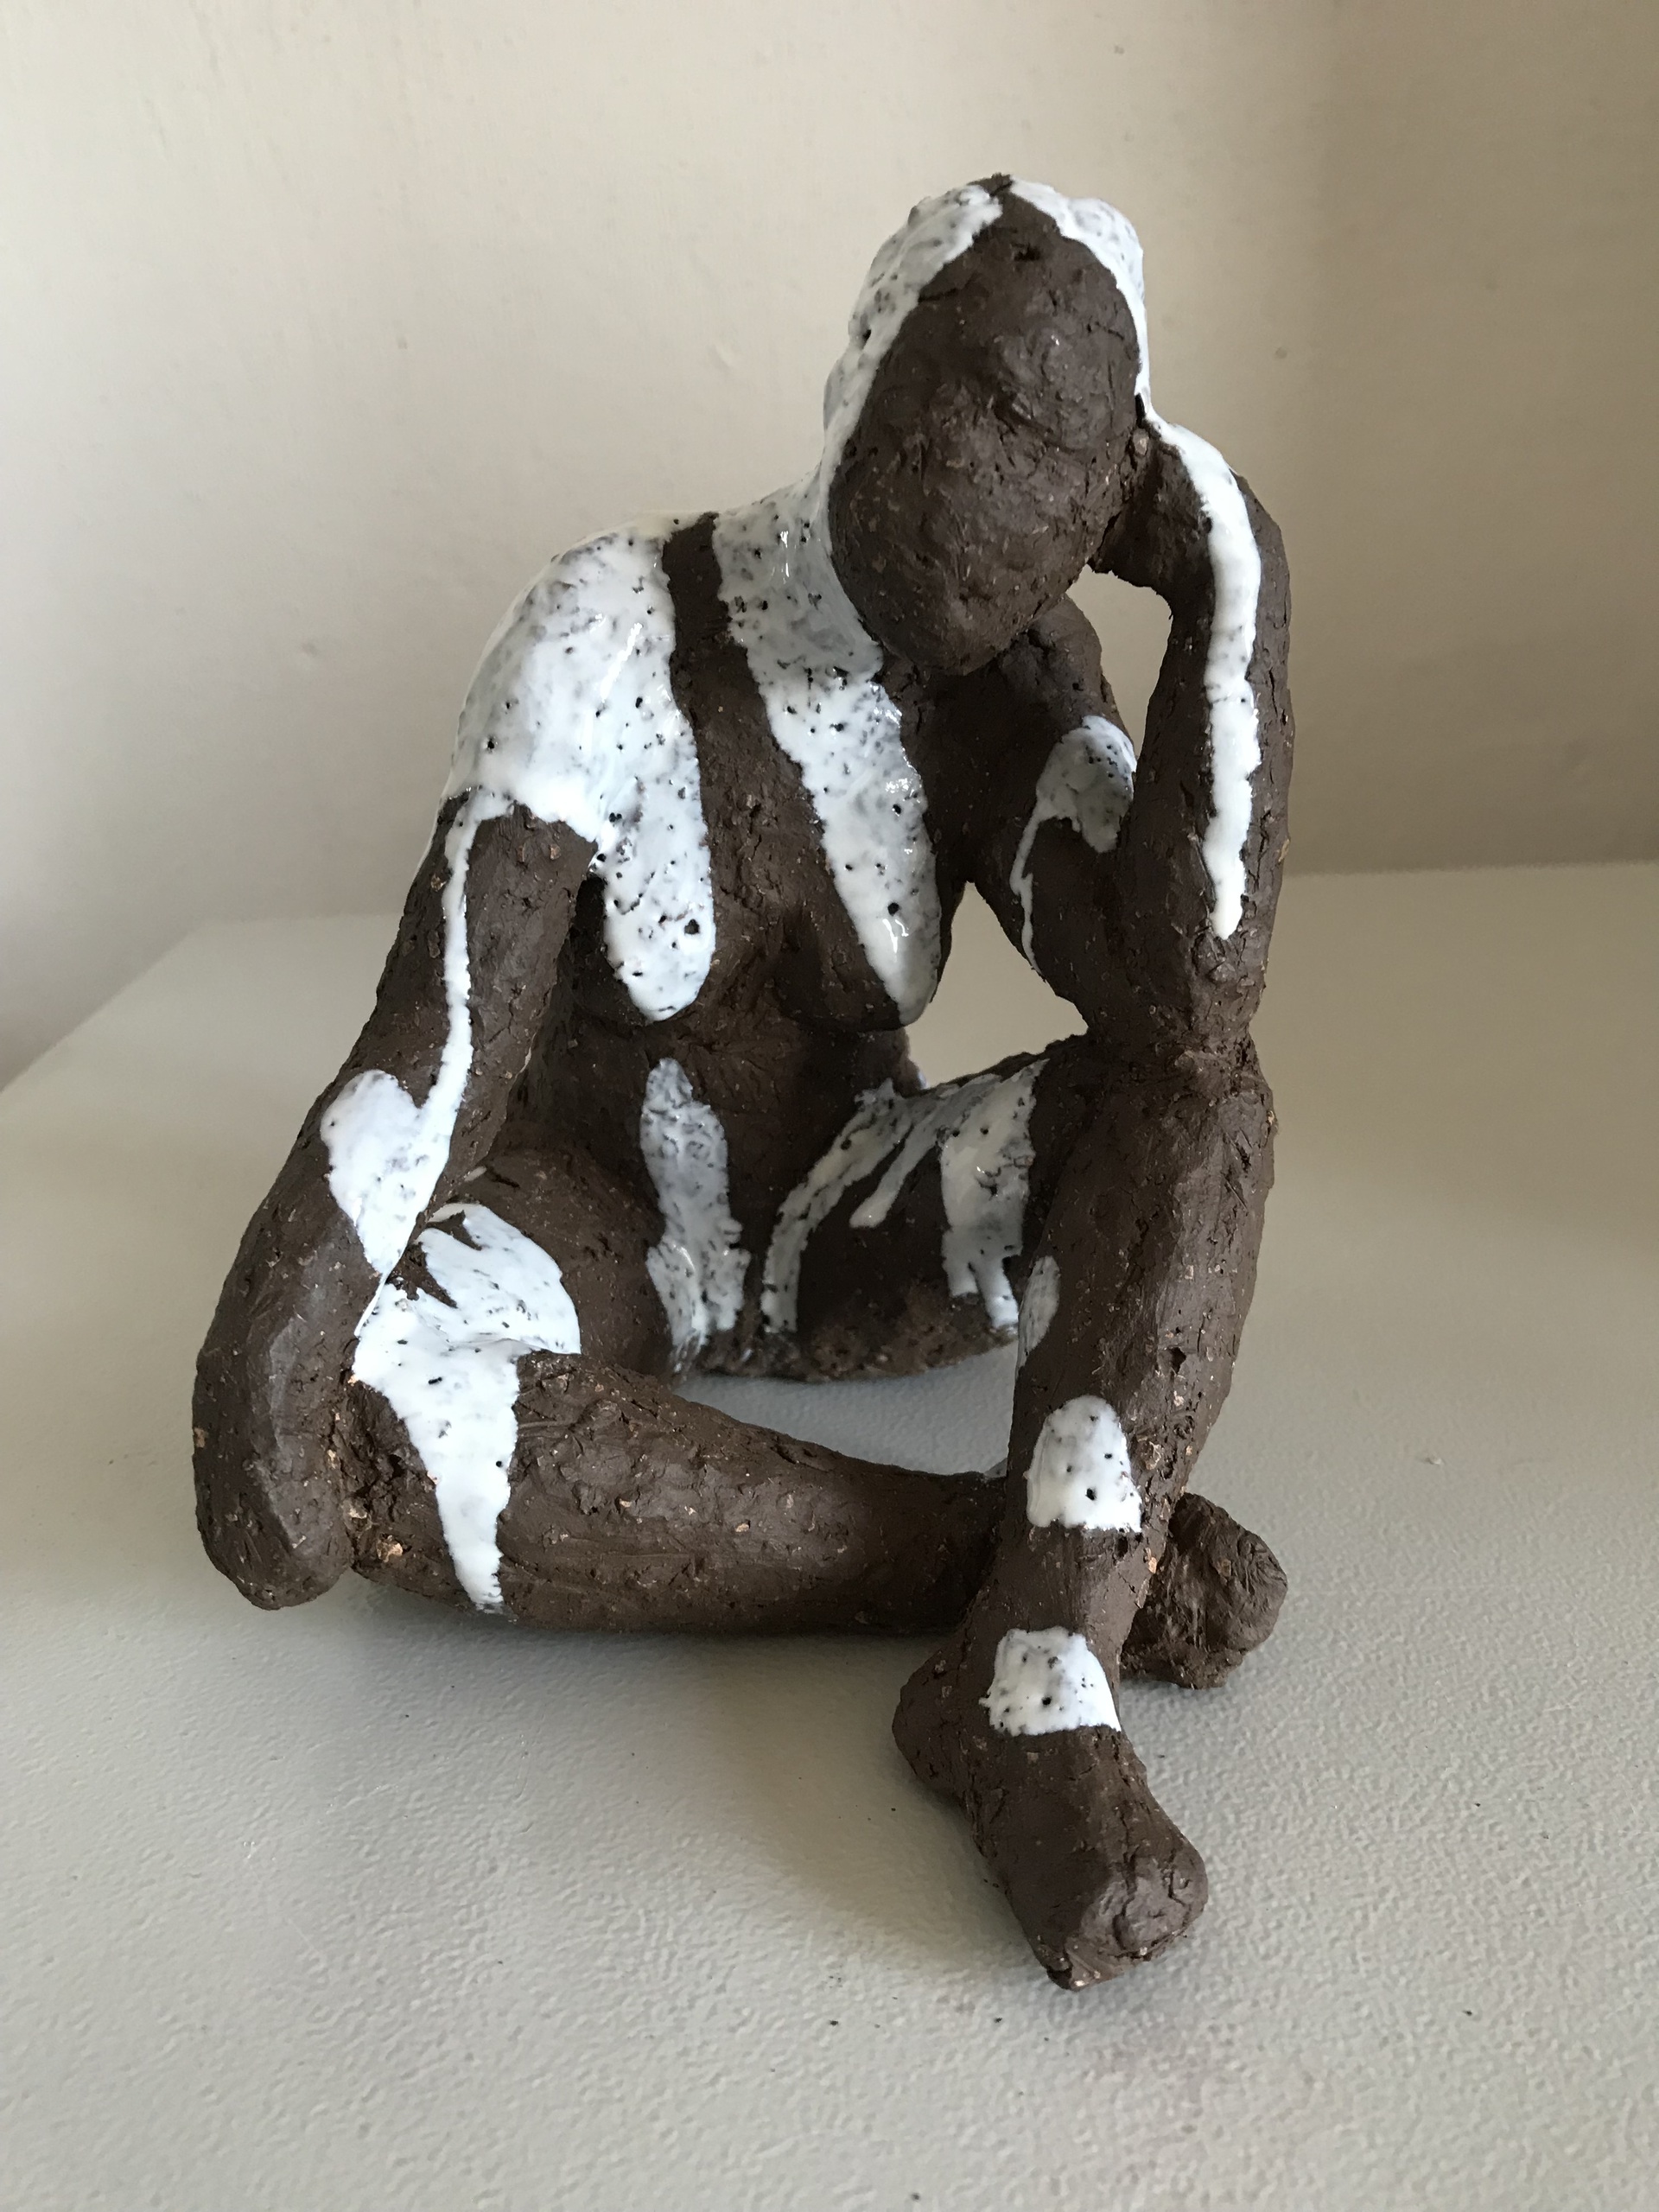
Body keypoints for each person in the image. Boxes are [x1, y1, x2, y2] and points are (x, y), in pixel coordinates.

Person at [194, 177, 1293, 1988]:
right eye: (981, 405)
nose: (1005, 494)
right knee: (373, 1398)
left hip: (844, 1215)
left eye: (1070, 463)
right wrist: (272, 1339)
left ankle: (1041, 1688)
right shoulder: (614, 626)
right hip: (589, 1218)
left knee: (1202, 1114)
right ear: (864, 374)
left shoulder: (1002, 686)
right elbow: (446, 1030)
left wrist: (1238, 590)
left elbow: (1185, 1010)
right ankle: (1012, 1562)